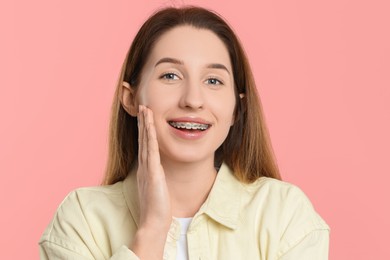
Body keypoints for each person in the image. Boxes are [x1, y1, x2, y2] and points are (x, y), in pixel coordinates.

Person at [39, 6, 329, 260]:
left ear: (237, 109)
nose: (193, 99)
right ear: (130, 98)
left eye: (213, 80)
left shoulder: (284, 214)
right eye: (170, 76)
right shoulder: (81, 219)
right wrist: (152, 229)